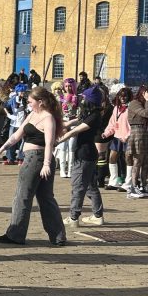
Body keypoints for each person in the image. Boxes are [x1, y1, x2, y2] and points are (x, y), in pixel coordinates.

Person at [0, 86, 66, 247]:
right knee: (45, 198)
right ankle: (58, 236)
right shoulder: (33, 114)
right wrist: (1, 149)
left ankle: (16, 234)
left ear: (40, 102)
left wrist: (46, 164)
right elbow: (16, 136)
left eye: (31, 101)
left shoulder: (48, 118)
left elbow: (49, 143)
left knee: (23, 196)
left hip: (37, 159)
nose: (29, 103)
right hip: (33, 158)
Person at [56, 86, 109, 228]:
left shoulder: (94, 116)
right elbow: (71, 123)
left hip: (85, 155)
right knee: (91, 186)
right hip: (86, 154)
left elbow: (76, 131)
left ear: (90, 100)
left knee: (78, 186)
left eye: (84, 98)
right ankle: (98, 216)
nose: (81, 99)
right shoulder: (88, 113)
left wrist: (57, 141)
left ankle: (73, 217)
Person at [125, 85, 148, 197]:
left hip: (147, 133)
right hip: (137, 132)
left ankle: (143, 186)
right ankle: (133, 187)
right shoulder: (134, 103)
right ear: (143, 93)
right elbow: (146, 114)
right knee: (137, 161)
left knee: (146, 162)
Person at [103, 86, 132, 189]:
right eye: (121, 96)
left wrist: (128, 136)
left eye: (125, 96)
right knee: (112, 157)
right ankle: (113, 181)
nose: (123, 98)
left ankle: (128, 182)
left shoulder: (131, 107)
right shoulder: (116, 108)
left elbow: (132, 124)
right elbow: (112, 123)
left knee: (128, 158)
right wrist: (106, 133)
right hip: (117, 136)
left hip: (128, 137)